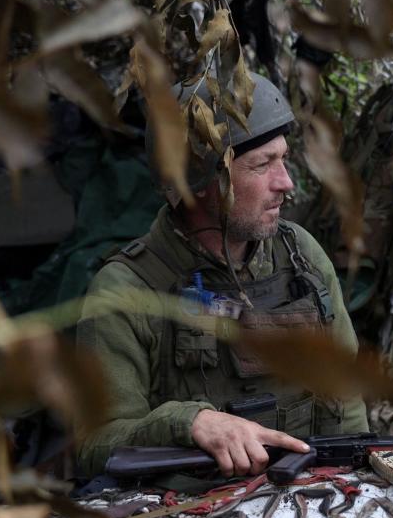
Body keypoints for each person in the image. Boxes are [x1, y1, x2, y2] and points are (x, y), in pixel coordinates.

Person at [75, 72, 369, 479]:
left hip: (308, 504)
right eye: (262, 164)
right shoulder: (127, 290)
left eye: (283, 158)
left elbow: (345, 395)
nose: (286, 184)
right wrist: (190, 423)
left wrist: (354, 480)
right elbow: (95, 445)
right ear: (200, 181)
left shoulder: (301, 256)